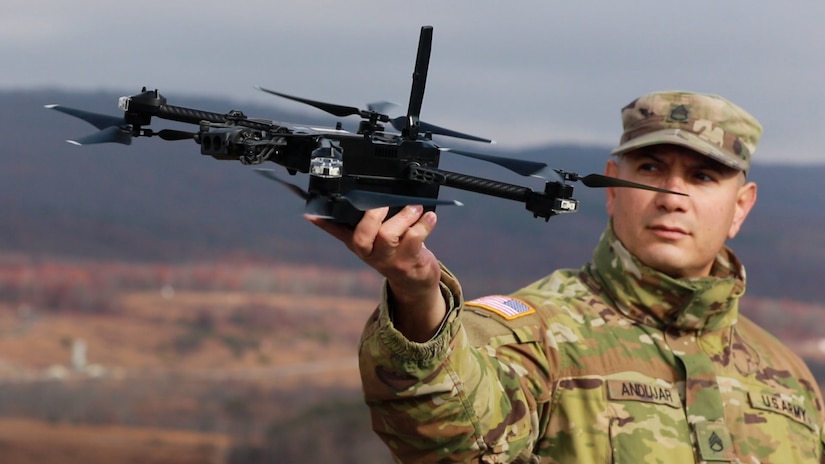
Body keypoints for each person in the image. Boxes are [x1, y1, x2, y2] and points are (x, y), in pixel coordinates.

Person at [311, 90, 825, 463]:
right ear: (612, 188)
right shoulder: (532, 334)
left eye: (702, 176)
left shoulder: (790, 379)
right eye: (649, 169)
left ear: (741, 207)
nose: (672, 196)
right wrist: (418, 295)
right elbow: (454, 442)